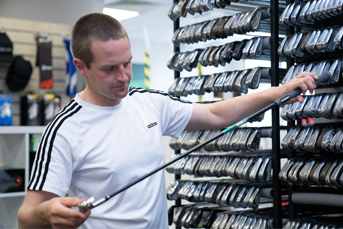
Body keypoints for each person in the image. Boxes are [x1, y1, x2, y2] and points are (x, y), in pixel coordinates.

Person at [17, 13, 317, 229]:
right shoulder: (64, 129)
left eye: (127, 63)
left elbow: (215, 113)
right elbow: (25, 215)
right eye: (110, 68)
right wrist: (46, 214)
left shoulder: (147, 102)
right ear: (81, 67)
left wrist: (277, 93)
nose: (123, 76)